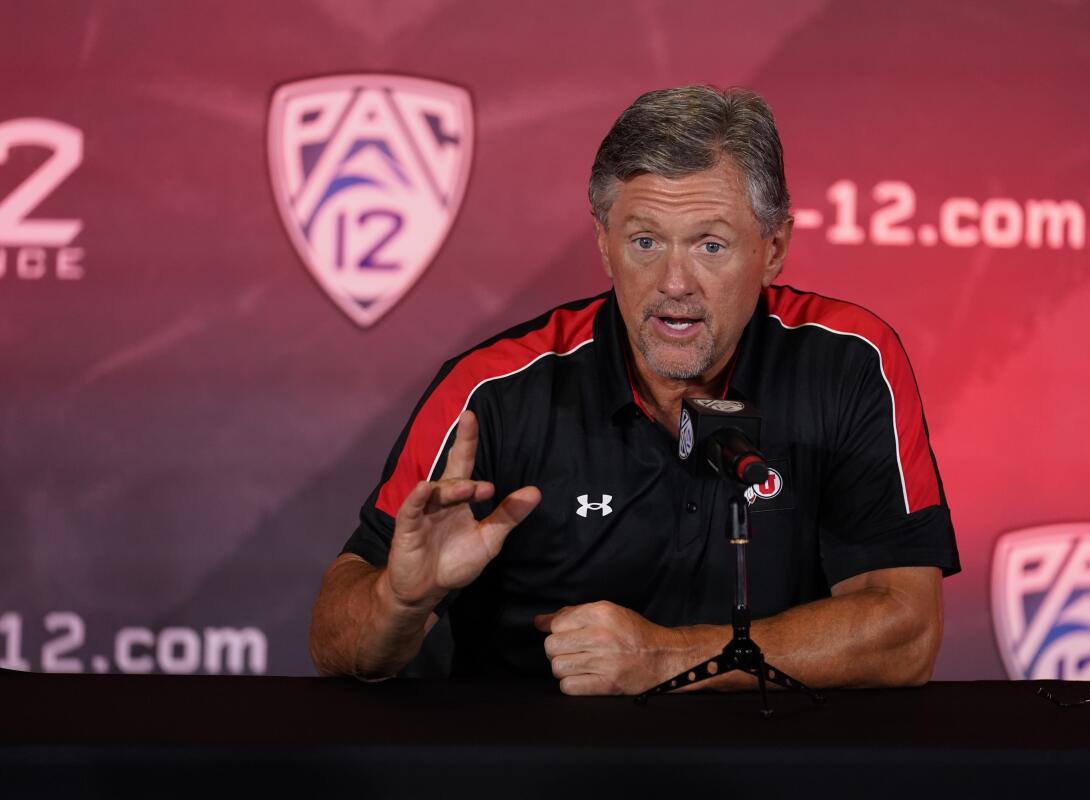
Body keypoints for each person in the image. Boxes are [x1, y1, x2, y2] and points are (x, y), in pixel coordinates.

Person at [308, 85, 960, 694]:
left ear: (774, 247)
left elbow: (905, 632)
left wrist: (667, 658)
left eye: (710, 245)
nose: (675, 283)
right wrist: (401, 600)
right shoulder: (494, 392)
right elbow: (335, 637)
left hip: (768, 771)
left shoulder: (847, 360)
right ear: (603, 243)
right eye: (645, 241)